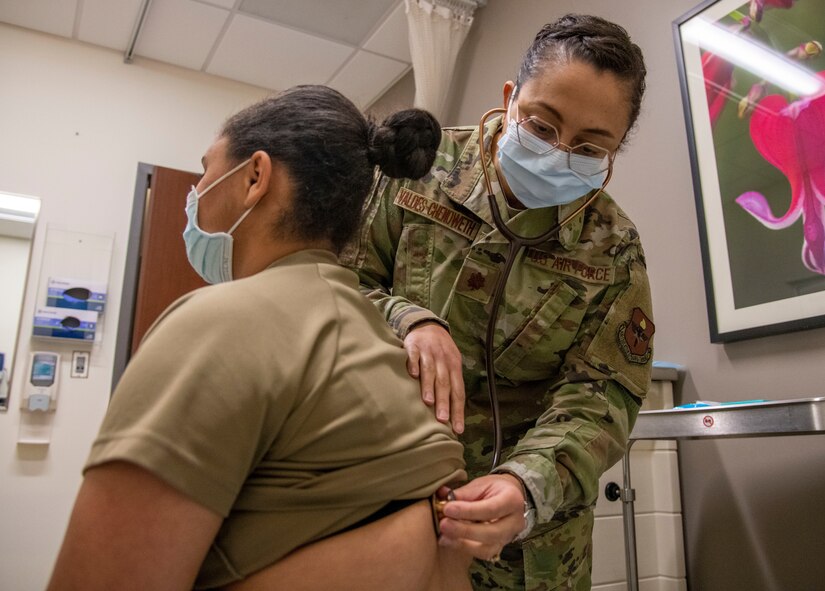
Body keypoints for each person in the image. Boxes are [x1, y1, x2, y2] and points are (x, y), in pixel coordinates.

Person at [47, 86, 475, 591]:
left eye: (206, 170)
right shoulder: (387, 346)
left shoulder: (218, 326)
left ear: (254, 177)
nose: (197, 192)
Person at [341, 13, 655, 590]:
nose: (560, 153)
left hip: (530, 549)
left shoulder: (613, 249)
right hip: (386, 500)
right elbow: (333, 287)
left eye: (590, 146)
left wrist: (528, 483)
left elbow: (602, 396)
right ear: (510, 100)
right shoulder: (416, 174)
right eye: (542, 126)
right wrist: (406, 318)